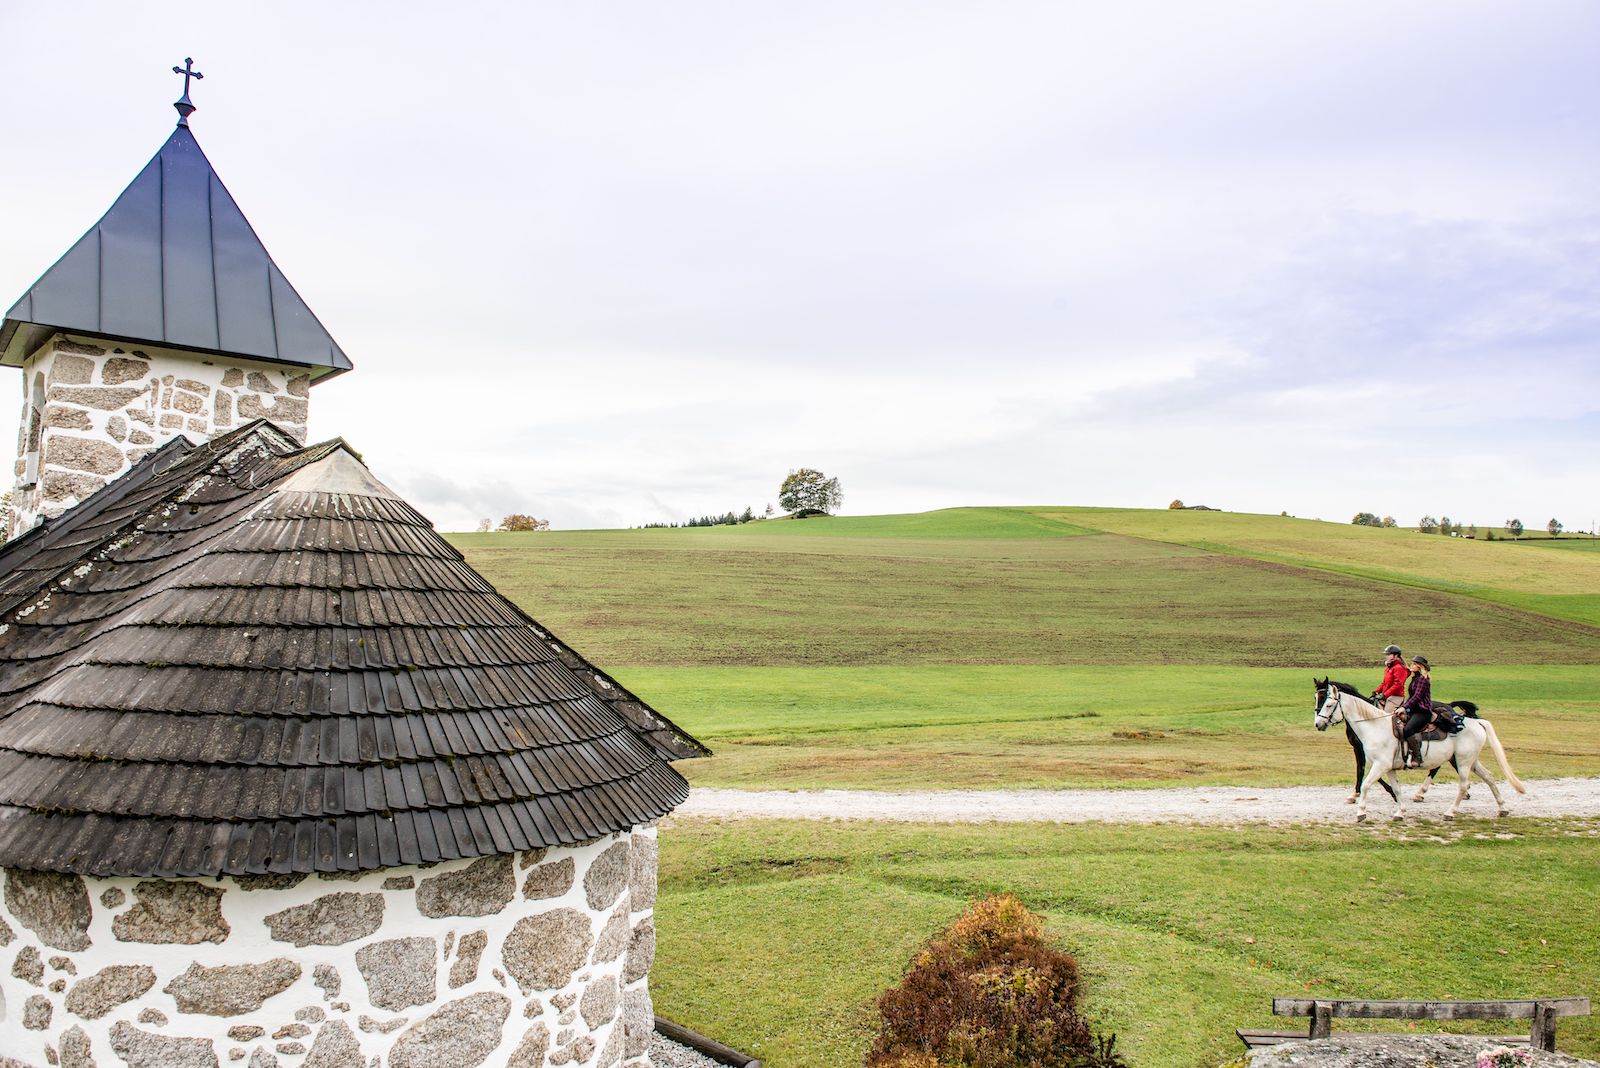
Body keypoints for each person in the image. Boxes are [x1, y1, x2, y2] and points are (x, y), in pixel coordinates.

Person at [1399, 655, 1434, 768]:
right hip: (1414, 710)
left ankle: (1417, 758)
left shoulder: (1423, 680)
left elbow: (1417, 697)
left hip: (1423, 712)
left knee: (1408, 729)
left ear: (1420, 667)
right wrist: (1402, 707)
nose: (1411, 665)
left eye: (1414, 664)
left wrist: (1404, 708)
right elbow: (1411, 697)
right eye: (1412, 663)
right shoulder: (1415, 678)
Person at [1372, 644, 1409, 713]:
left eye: (1388, 654)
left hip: (1396, 697)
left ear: (1396, 655)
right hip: (1387, 696)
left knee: (1385, 715)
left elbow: (1397, 685)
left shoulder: (1399, 668)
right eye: (1386, 654)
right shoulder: (1389, 668)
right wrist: (1376, 691)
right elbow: (1384, 683)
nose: (1386, 656)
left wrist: (1385, 694)